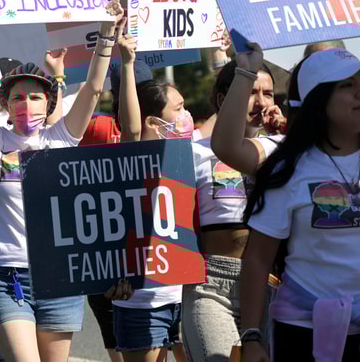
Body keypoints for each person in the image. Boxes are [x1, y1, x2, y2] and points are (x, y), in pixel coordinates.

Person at [0, 0, 131, 362]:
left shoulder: (62, 138)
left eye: (35, 96)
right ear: (6, 103)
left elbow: (93, 88)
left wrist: (108, 31)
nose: (26, 103)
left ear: (50, 101)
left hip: (59, 275)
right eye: (18, 96)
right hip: (6, 277)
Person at [238, 46, 360, 361]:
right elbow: (257, 259)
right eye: (347, 85)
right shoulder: (289, 169)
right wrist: (251, 336)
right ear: (318, 102)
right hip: (306, 331)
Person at [181, 61, 283, 362]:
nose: (261, 102)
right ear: (223, 99)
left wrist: (288, 135)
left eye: (268, 93)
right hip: (211, 287)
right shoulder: (194, 153)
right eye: (251, 92)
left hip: (271, 286)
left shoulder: (285, 150)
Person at [112, 75, 190, 362]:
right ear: (153, 122)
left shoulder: (190, 158)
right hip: (141, 306)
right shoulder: (125, 164)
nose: (186, 116)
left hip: (189, 300)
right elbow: (131, 131)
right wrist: (127, 63)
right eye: (179, 109)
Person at [79, 58, 152, 362]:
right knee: (117, 339)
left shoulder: (168, 128)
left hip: (150, 254)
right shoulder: (98, 127)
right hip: (105, 250)